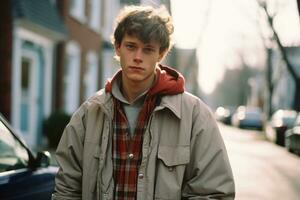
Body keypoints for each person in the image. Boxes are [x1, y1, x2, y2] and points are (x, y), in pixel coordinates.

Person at [52, 5, 235, 200]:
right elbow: (67, 189)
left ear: (161, 54)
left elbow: (213, 192)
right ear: (118, 47)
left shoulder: (195, 115)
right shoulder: (90, 113)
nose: (138, 57)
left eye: (148, 49)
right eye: (131, 46)